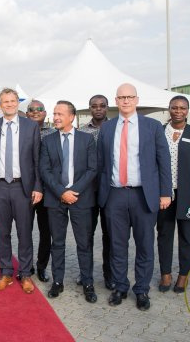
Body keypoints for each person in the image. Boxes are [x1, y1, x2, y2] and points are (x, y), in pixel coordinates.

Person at [98, 83, 171, 311]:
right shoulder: (108, 128)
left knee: (145, 246)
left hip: (143, 196)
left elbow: (163, 161)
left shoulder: (153, 126)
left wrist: (165, 192)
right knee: (117, 245)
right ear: (116, 101)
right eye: (122, 97)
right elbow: (101, 163)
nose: (126, 101)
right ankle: (120, 286)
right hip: (115, 195)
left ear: (137, 100)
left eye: (130, 97)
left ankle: (141, 290)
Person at [0, 87, 42, 294]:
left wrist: (37, 186)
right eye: (5, 102)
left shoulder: (30, 127)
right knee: (3, 233)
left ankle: (25, 273)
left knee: (25, 233)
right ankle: (6, 272)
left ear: (18, 103)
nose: (9, 104)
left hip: (22, 187)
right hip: (0, 186)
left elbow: (37, 159)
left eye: (12, 101)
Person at [40, 101, 98, 302]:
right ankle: (58, 282)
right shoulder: (48, 141)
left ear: (71, 117)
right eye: (54, 113)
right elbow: (44, 170)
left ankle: (88, 283)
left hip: (81, 199)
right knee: (57, 243)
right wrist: (61, 192)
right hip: (56, 200)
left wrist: (74, 191)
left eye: (60, 114)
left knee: (84, 243)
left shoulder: (87, 139)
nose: (55, 117)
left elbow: (92, 169)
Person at [156, 96, 190, 294]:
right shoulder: (160, 132)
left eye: (183, 108)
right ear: (169, 109)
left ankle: (183, 276)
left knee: (187, 236)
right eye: (174, 107)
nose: (178, 111)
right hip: (164, 194)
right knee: (164, 234)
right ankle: (166, 274)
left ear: (188, 110)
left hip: (188, 195)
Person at [78, 94, 114, 290]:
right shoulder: (82, 131)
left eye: (102, 105)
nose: (98, 109)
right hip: (88, 192)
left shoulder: (115, 128)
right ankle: (86, 275)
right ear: (90, 108)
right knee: (86, 236)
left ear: (107, 107)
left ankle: (109, 275)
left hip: (110, 191)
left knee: (110, 236)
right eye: (94, 106)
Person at [26, 99, 54, 283]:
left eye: (39, 109)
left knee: (46, 232)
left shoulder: (53, 133)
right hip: (26, 191)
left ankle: (42, 266)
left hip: (48, 192)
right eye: (31, 109)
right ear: (27, 113)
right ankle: (26, 265)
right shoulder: (22, 132)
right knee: (25, 230)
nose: (35, 112)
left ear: (45, 113)